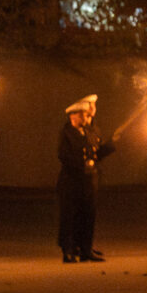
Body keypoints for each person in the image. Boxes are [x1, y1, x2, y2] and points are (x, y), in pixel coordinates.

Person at [58, 95, 112, 263]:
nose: (86, 118)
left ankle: (86, 249)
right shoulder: (67, 133)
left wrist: (109, 147)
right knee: (70, 217)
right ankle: (69, 249)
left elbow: (96, 154)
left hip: (89, 182)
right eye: (82, 115)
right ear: (72, 116)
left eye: (87, 115)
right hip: (72, 181)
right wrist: (83, 164)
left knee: (88, 215)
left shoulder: (90, 131)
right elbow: (64, 156)